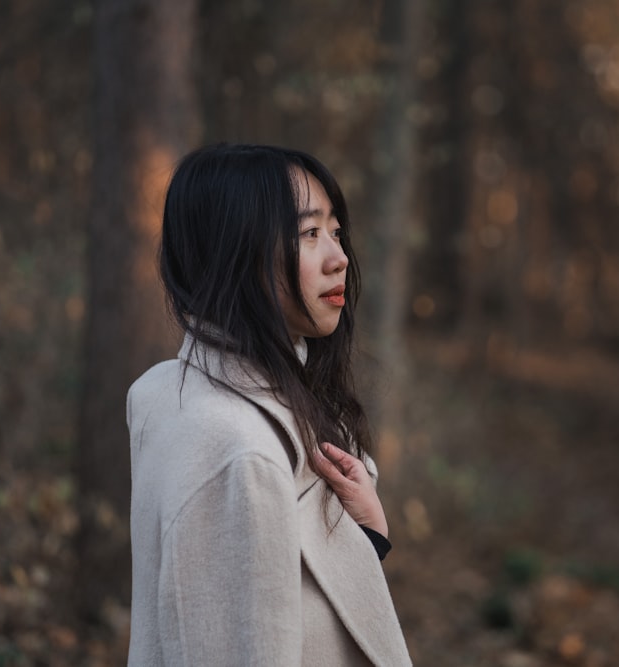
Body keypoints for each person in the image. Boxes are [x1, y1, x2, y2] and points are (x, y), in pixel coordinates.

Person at [126, 143, 412, 666]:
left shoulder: (167, 391)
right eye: (309, 233)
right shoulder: (241, 448)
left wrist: (365, 539)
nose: (339, 257)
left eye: (336, 231)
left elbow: (285, 613)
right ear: (235, 252)